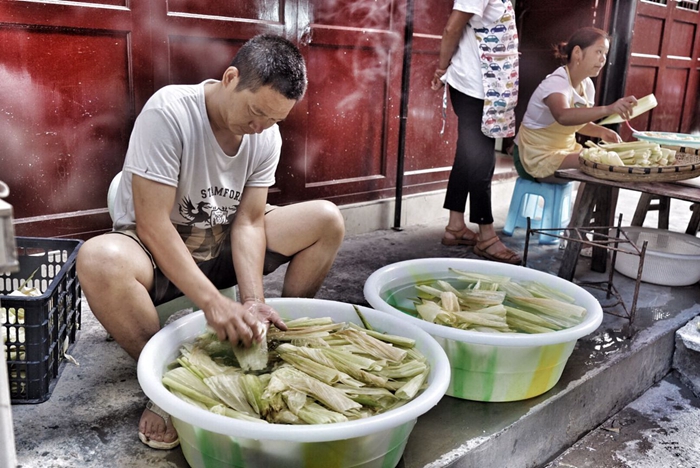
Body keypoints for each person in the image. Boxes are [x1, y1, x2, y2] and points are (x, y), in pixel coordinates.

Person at [76, 34, 345, 450]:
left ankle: (285, 342)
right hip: (157, 252)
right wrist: (215, 303)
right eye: (255, 111)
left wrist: (252, 299)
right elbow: (151, 224)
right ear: (231, 78)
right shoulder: (170, 112)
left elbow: (250, 223)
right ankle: (171, 381)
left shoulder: (265, 135)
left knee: (326, 219)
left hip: (221, 244)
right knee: (98, 259)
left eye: (274, 121)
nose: (259, 128)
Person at [431, 0, 522, 265]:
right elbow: (452, 29)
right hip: (474, 87)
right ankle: (486, 236)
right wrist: (441, 67)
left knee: (467, 154)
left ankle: (455, 226)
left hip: (486, 86)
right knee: (482, 159)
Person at [514, 27, 638, 183]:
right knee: (598, 162)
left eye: (605, 54)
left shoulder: (587, 86)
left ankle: (591, 208)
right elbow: (563, 116)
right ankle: (586, 208)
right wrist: (609, 109)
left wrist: (601, 131)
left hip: (563, 151)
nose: (603, 59)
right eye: (599, 52)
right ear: (577, 52)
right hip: (533, 156)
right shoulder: (556, 83)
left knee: (605, 161)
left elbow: (577, 123)